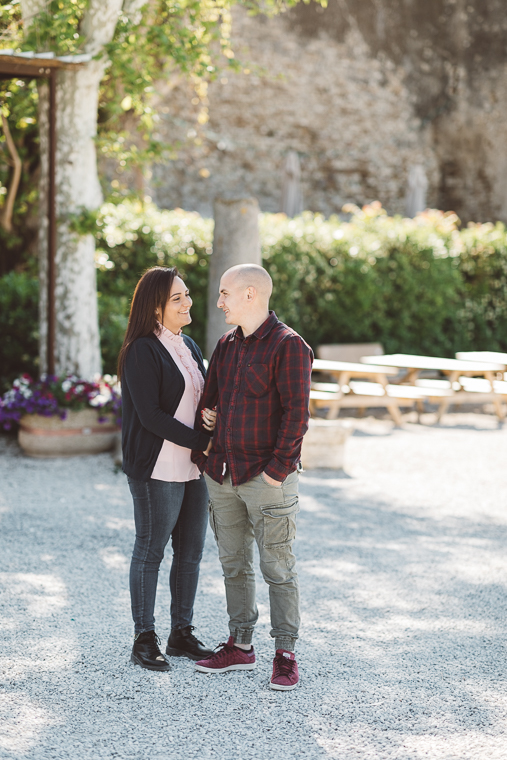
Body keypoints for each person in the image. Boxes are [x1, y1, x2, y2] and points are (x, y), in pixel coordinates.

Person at [191, 263, 313, 690]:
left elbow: (297, 417)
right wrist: (208, 417)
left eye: (225, 293)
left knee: (277, 567)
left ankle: (285, 654)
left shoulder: (290, 346)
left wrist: (277, 472)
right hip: (221, 474)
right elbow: (211, 403)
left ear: (249, 295)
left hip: (267, 478)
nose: (219, 301)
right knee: (233, 566)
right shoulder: (225, 345)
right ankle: (240, 645)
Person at [118, 266, 217, 671]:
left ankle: (181, 634)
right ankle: (144, 638)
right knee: (151, 550)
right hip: (157, 466)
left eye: (187, 294)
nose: (188, 302)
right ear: (156, 308)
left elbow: (198, 398)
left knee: (191, 552)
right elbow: (152, 415)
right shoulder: (141, 350)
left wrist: (209, 417)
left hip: (193, 466)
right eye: (177, 298)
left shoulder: (189, 346)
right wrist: (202, 440)